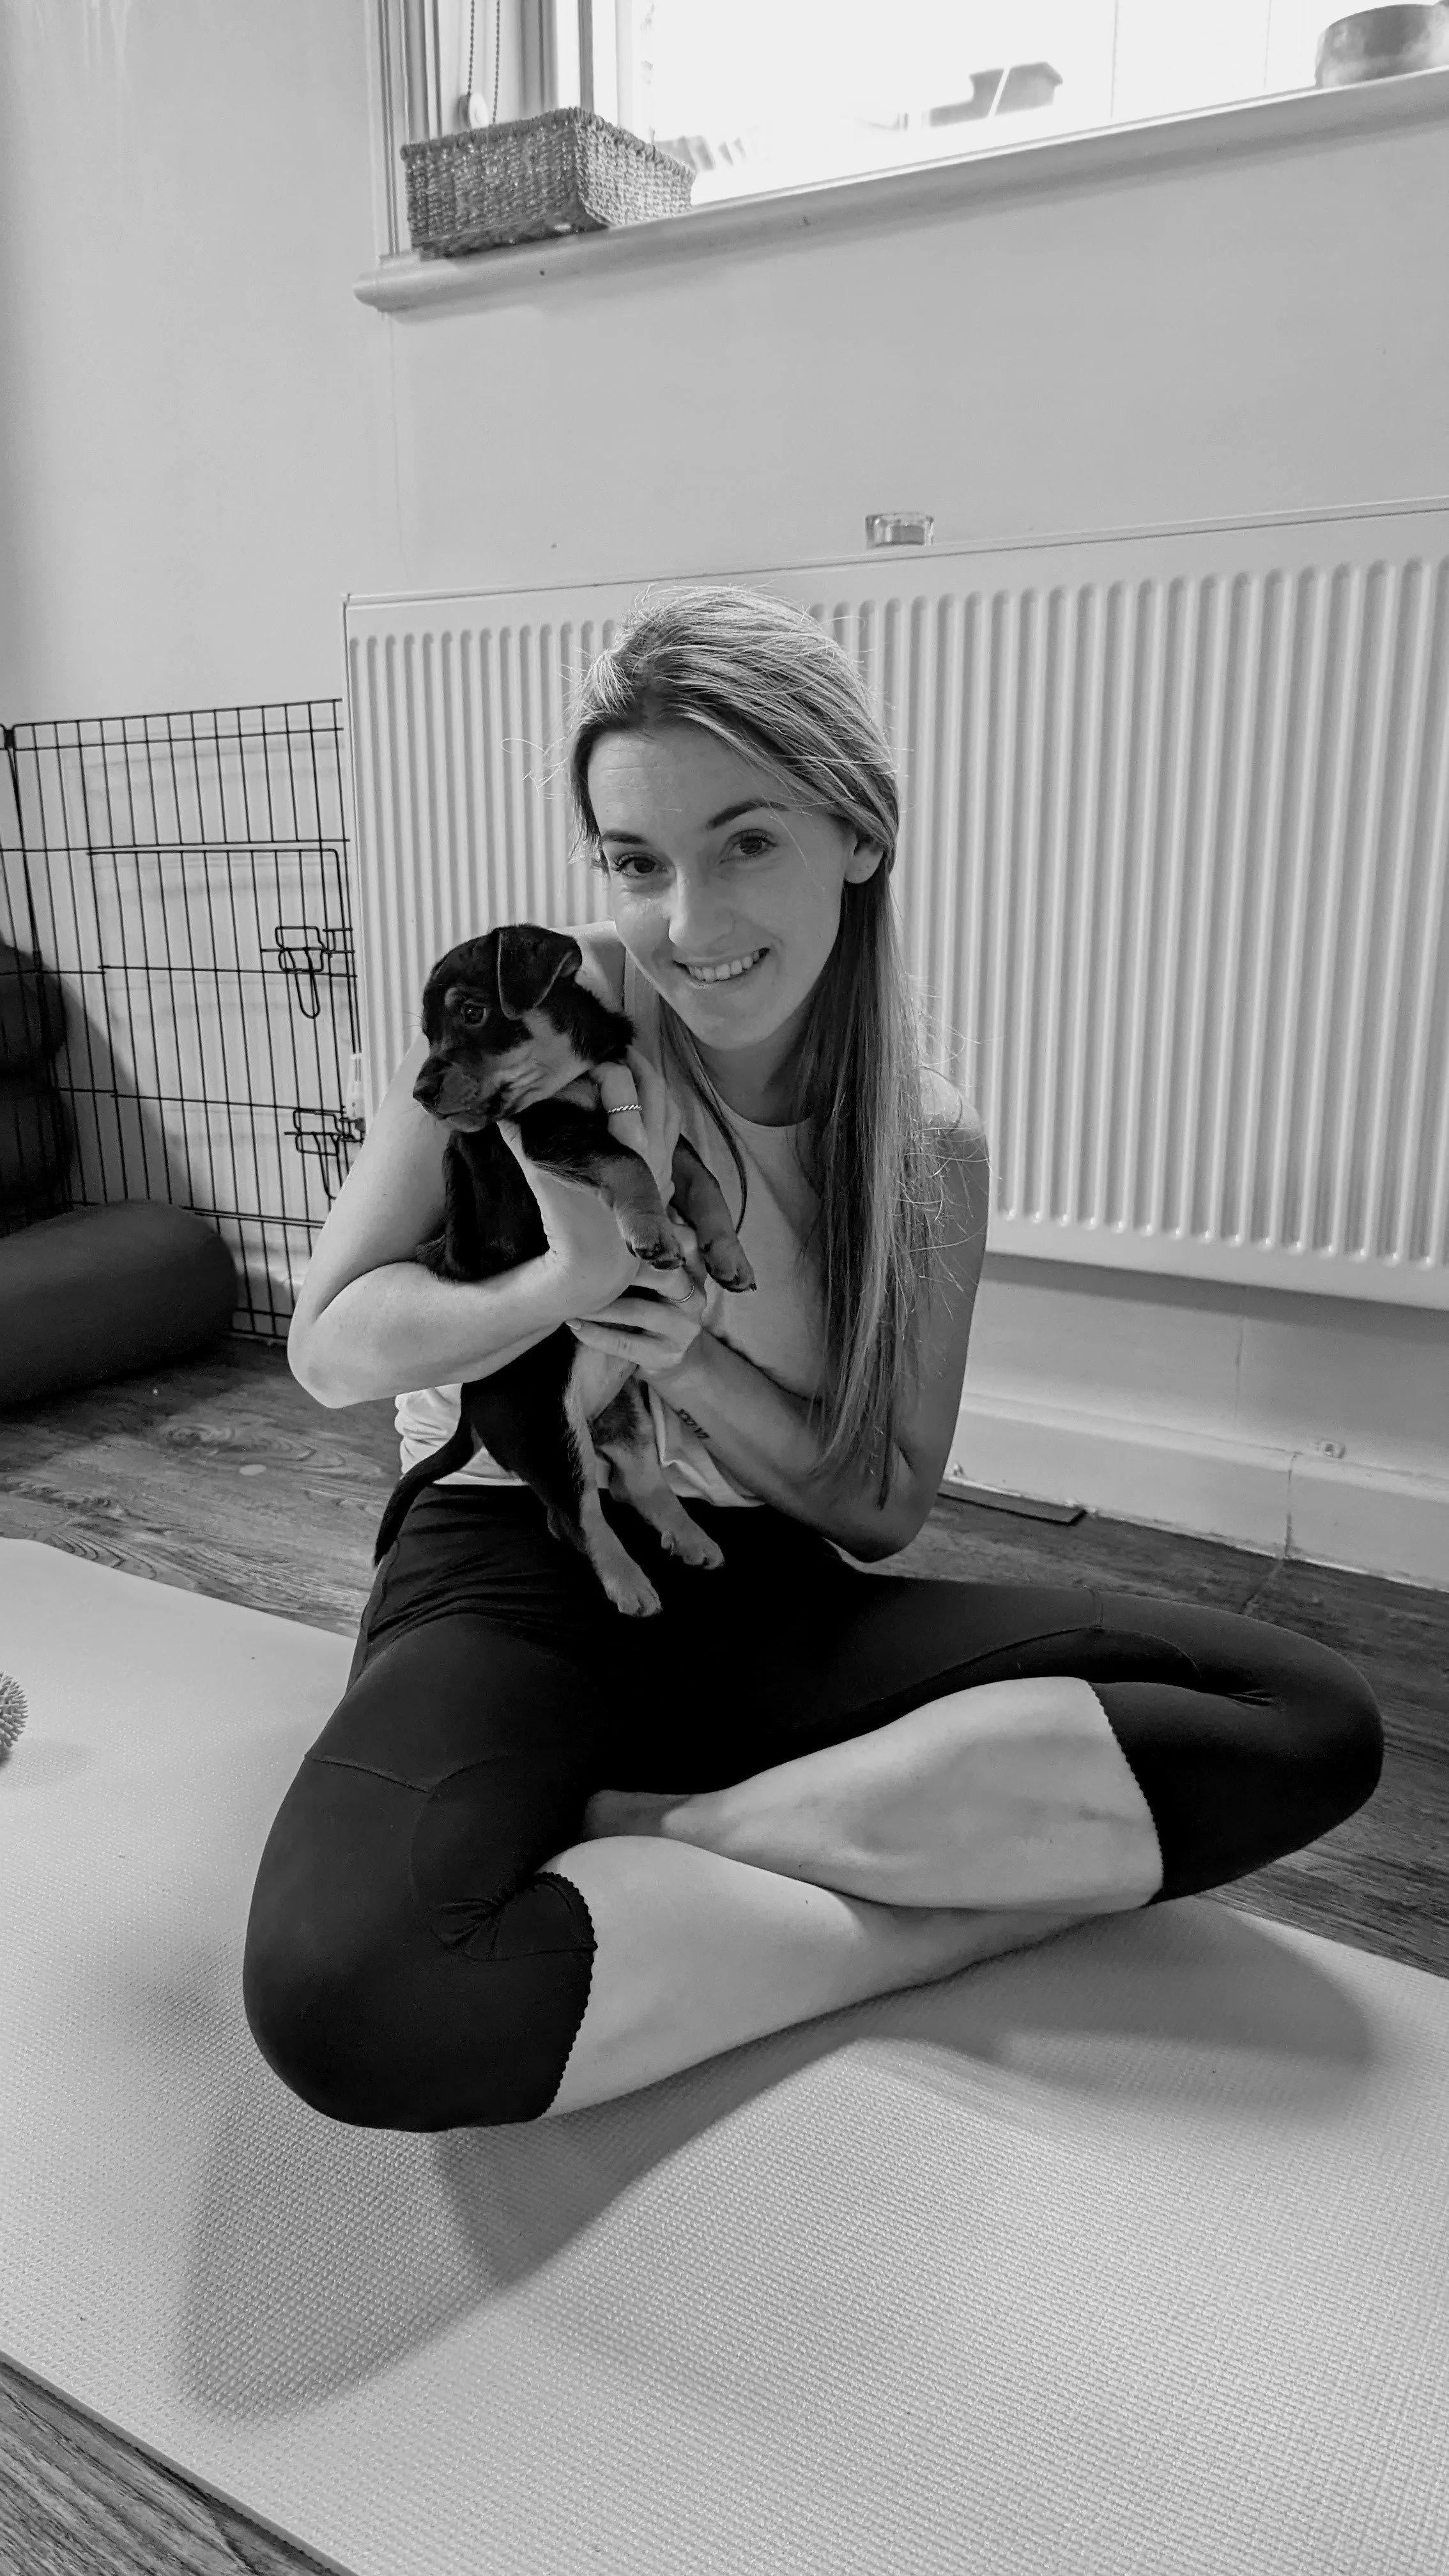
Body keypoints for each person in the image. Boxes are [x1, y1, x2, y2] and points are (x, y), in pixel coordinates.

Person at [243, 585, 1384, 2130]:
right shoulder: (533, 1004)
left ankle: (694, 1833)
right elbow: (327, 1350)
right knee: (347, 2000)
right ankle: (921, 1916)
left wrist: (695, 1354)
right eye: (639, 862)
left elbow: (878, 1509)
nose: (691, 926)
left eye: (749, 842)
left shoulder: (927, 1152)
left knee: (1306, 1721)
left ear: (859, 832)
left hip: (757, 1587)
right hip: (511, 1556)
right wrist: (563, 1277)